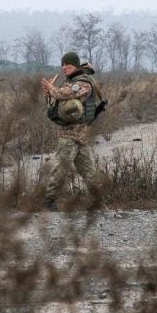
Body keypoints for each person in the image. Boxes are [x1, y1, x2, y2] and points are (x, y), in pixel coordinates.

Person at [41, 51, 103, 212]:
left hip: (80, 136)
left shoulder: (83, 83)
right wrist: (48, 94)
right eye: (62, 65)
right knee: (61, 168)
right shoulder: (70, 82)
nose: (64, 67)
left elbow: (67, 93)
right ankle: (49, 201)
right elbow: (55, 104)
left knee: (88, 171)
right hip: (69, 135)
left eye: (67, 64)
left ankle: (99, 203)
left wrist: (52, 89)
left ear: (75, 65)